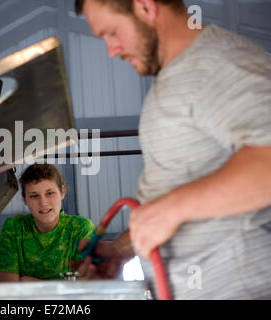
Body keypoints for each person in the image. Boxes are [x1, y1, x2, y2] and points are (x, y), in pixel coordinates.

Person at [70, 0, 271, 299]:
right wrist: (122, 250)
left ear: (145, 7)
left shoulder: (218, 65)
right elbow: (183, 192)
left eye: (111, 33)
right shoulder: (175, 78)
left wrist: (174, 207)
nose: (111, 50)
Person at [0, 163, 95, 281]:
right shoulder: (14, 227)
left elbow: (84, 287)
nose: (43, 203)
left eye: (50, 193)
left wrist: (26, 281)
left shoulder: (80, 227)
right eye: (34, 196)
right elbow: (7, 289)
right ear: (25, 199)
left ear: (62, 192)